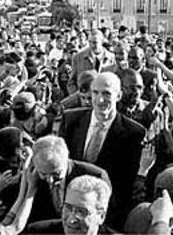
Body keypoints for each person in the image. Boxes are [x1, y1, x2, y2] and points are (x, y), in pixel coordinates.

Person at [59, 72, 145, 229]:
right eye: (95, 92)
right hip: (69, 210)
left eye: (106, 93)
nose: (100, 100)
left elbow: (125, 183)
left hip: (105, 216)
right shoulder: (71, 120)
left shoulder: (133, 133)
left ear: (118, 95)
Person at [26, 135, 110, 227]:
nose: (50, 180)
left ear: (66, 160)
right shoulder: (32, 177)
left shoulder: (95, 176)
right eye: (44, 174)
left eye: (56, 174)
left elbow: (106, 218)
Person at [68, 30, 115, 94]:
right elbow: (71, 82)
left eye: (95, 42)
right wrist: (77, 96)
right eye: (89, 42)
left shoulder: (111, 58)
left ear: (101, 41)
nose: (91, 45)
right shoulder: (78, 58)